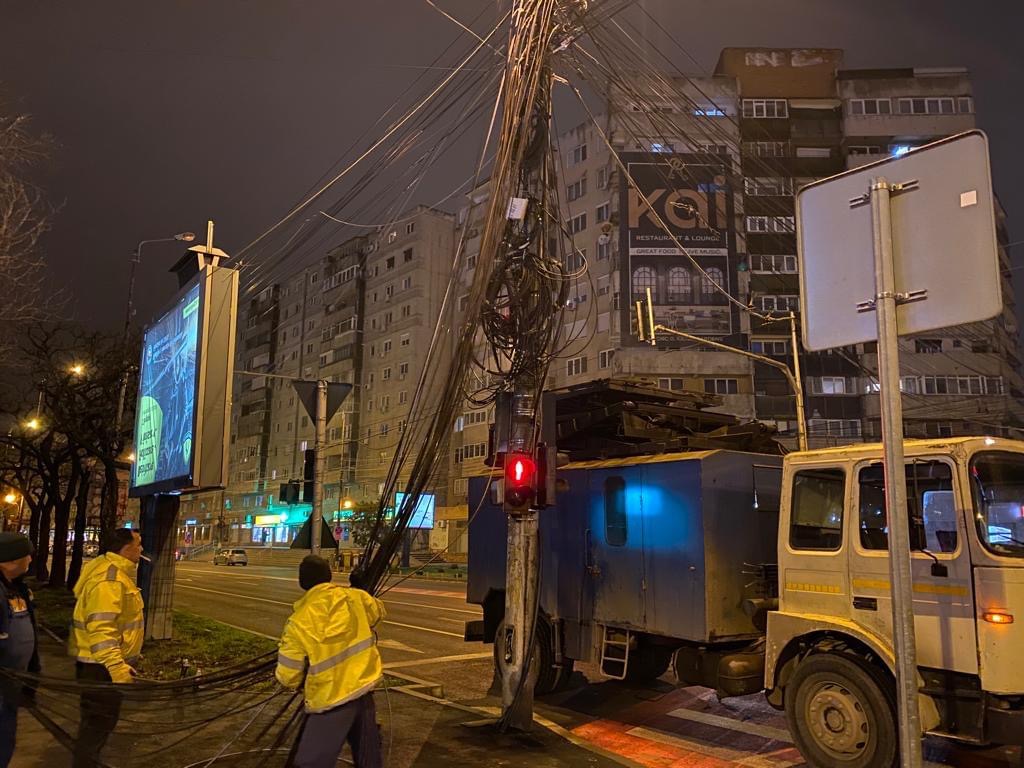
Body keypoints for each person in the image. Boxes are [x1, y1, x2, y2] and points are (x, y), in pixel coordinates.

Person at [276, 555, 386, 768]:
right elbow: (378, 612)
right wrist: (361, 590)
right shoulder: (354, 598)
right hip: (363, 691)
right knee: (368, 758)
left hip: (330, 700)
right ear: (329, 576)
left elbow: (288, 676)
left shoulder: (299, 622)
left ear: (302, 582)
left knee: (310, 762)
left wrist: (300, 678)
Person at [67, 528, 145, 768]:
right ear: (126, 548)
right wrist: (117, 667)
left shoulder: (109, 570)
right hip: (101, 668)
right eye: (138, 544)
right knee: (96, 729)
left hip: (98, 664)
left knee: (95, 728)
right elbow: (102, 630)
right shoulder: (109, 580)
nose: (141, 549)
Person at [0, 532, 39, 768]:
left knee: (6, 740)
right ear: (10, 560)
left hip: (12, 684)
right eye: (27, 555)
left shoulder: (18, 589)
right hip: (3, 685)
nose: (31, 560)